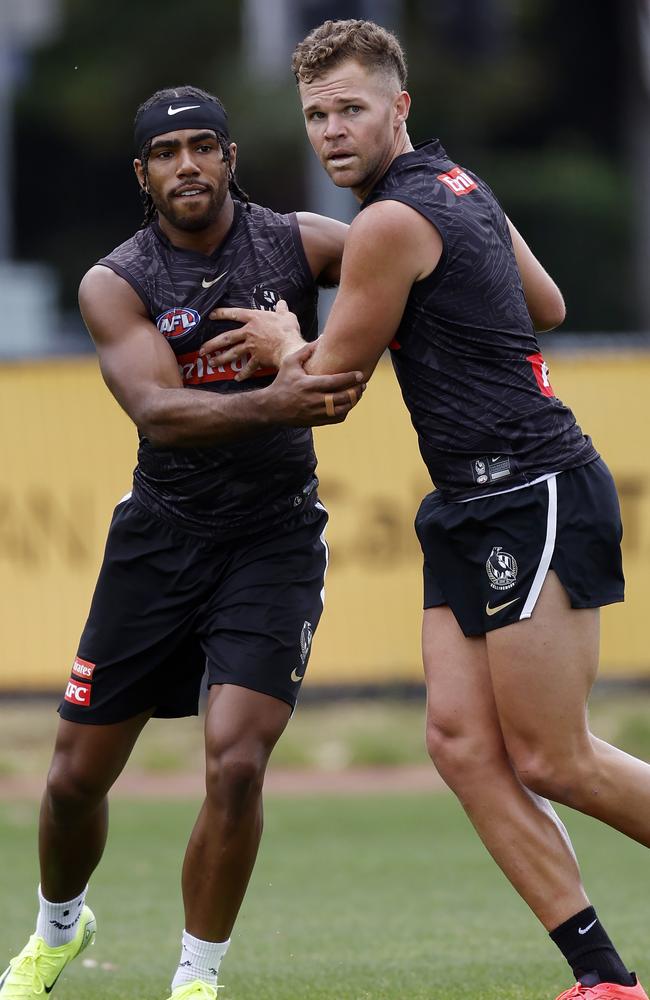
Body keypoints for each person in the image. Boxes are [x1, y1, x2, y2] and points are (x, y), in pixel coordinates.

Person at [199, 20, 650, 1000]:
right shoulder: (460, 187)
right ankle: (602, 978)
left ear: (398, 108)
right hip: (466, 503)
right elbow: (548, 302)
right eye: (316, 114)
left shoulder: (390, 224)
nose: (329, 131)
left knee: (551, 755)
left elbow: (329, 387)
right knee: (456, 742)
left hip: (527, 488)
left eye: (350, 109)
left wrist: (283, 339)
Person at [0, 85, 366, 1000]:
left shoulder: (300, 242)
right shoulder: (115, 281)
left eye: (205, 147)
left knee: (237, 762)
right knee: (75, 780)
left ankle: (196, 978)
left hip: (274, 538)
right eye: (168, 154)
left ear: (232, 159)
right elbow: (160, 413)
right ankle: (59, 928)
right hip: (161, 540)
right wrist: (287, 391)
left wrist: (463, 211)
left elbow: (418, 261)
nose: (188, 165)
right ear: (143, 175)